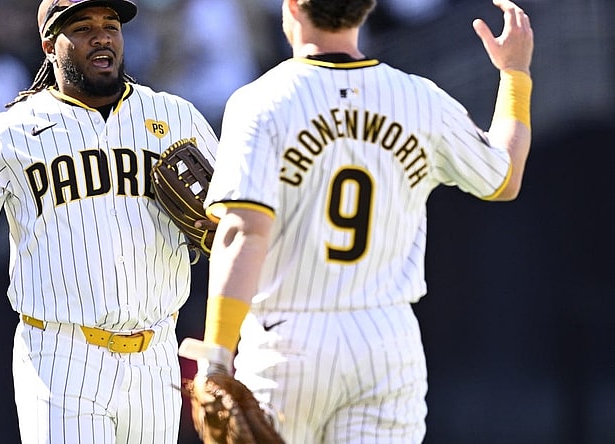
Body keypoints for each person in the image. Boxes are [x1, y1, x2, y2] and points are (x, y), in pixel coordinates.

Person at [185, 0, 533, 442]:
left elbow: (243, 231)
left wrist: (216, 354)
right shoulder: (420, 99)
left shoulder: (259, 102)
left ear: (292, 6)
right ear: (365, 9)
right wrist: (515, 75)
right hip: (385, 337)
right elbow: (503, 177)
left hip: (288, 340)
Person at [0, 1, 218, 443]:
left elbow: (229, 214)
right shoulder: (9, 133)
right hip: (62, 355)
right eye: (84, 27)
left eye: (111, 25)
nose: (103, 36)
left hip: (156, 351)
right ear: (50, 44)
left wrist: (218, 226)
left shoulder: (175, 117)